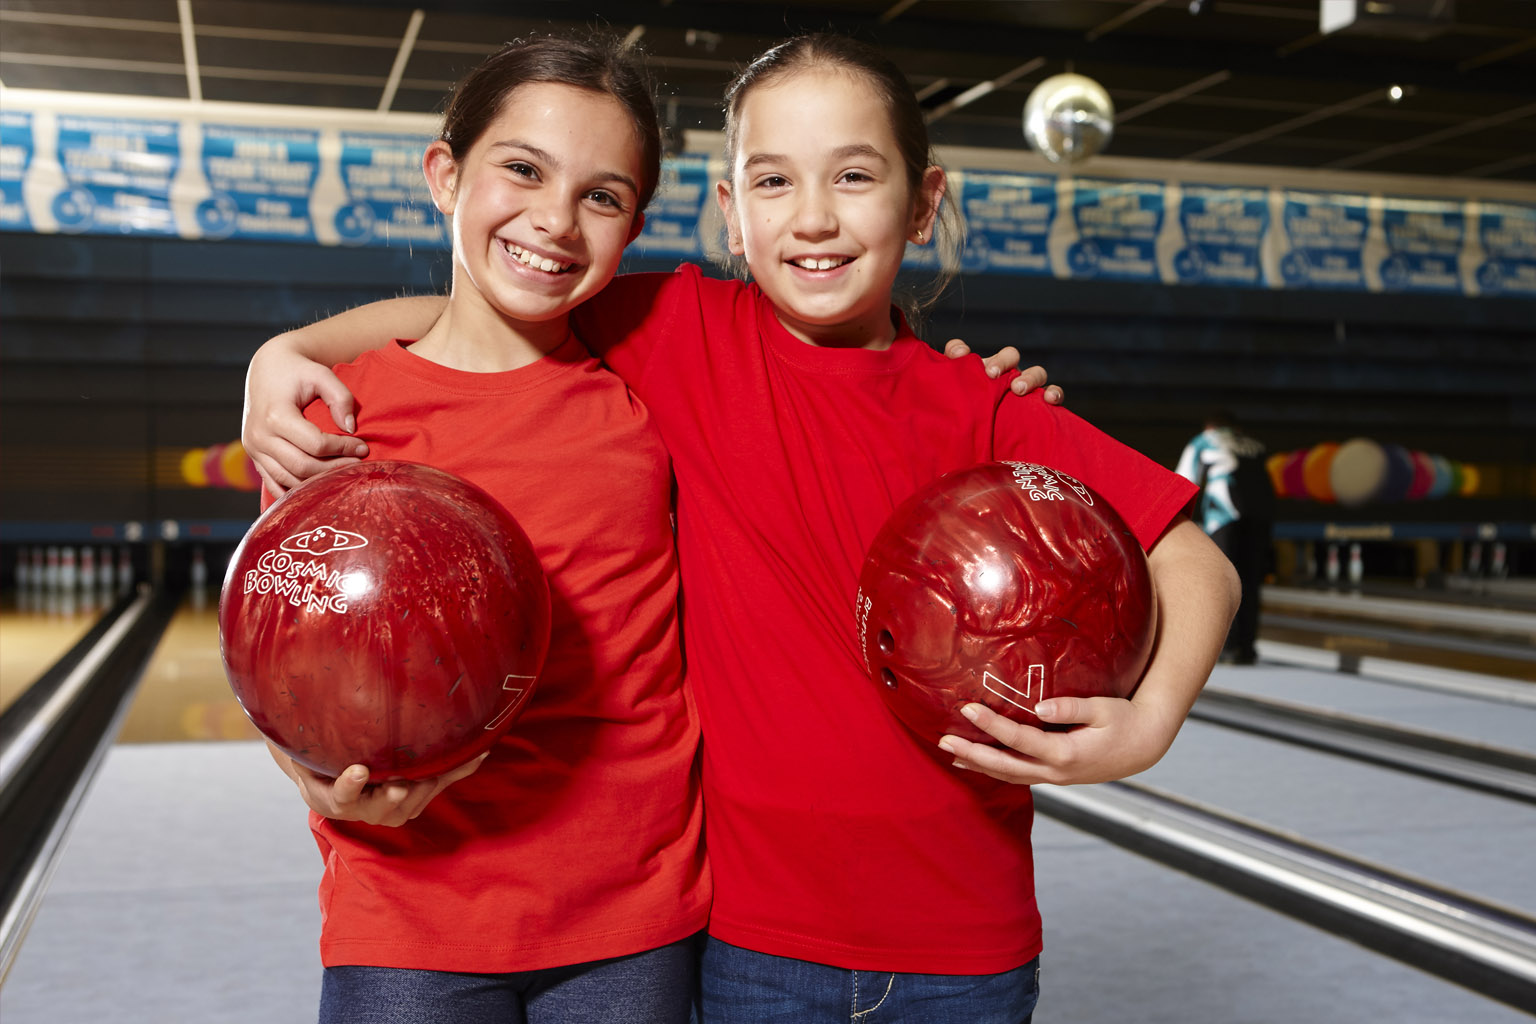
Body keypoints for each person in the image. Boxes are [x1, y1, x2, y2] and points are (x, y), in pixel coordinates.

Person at [246, 33, 1239, 1023]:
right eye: (773, 181)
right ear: (730, 212)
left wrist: (1145, 726)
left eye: (854, 176)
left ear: (924, 202)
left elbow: (1195, 561)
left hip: (960, 937)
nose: (813, 217)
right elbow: (500, 301)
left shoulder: (981, 403)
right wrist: (287, 350)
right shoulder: (678, 332)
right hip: (753, 941)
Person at [254, 37, 711, 1024]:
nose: (554, 218)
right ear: (445, 174)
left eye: (603, 195)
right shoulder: (333, 416)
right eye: (523, 168)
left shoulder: (655, 392)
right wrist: (315, 783)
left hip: (630, 911)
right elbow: (281, 661)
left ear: (635, 225)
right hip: (406, 906)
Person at [1176, 410, 1276, 665]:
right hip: (1260, 521)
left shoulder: (1204, 440)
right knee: (1251, 583)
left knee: (1224, 582)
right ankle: (1247, 648)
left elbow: (1181, 483)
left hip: (1225, 518)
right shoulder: (1255, 446)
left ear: (1210, 426)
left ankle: (1227, 647)